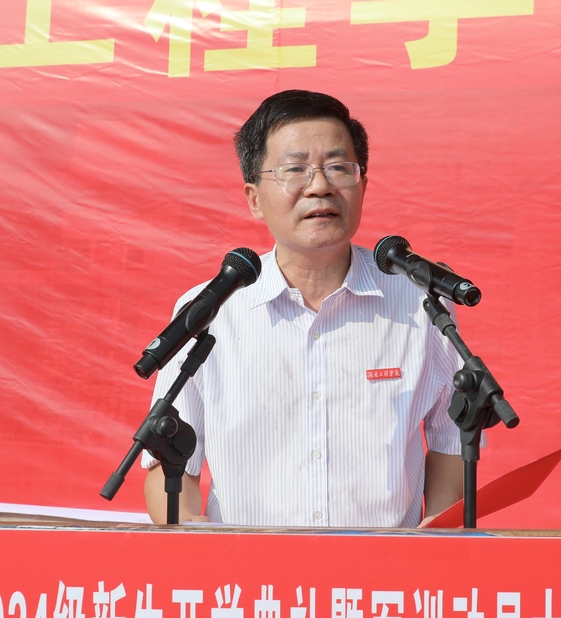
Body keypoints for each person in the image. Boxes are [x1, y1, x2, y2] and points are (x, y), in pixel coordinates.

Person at [141, 89, 463, 527]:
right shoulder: (212, 311)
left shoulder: (419, 301)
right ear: (254, 198)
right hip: (249, 568)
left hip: (383, 567)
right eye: (295, 169)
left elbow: (450, 447)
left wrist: (434, 542)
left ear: (363, 186)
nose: (320, 186)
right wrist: (190, 536)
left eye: (338, 167)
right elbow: (170, 468)